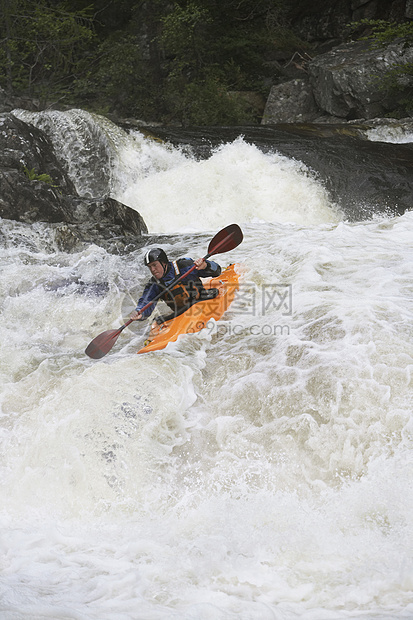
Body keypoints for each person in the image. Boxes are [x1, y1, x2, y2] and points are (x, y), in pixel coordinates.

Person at [129, 247, 221, 324]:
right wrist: (139, 312)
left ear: (164, 262)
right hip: (181, 314)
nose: (152, 269)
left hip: (202, 302)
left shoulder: (184, 266)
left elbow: (217, 271)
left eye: (154, 265)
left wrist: (206, 265)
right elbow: (146, 301)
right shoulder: (154, 284)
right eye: (149, 267)